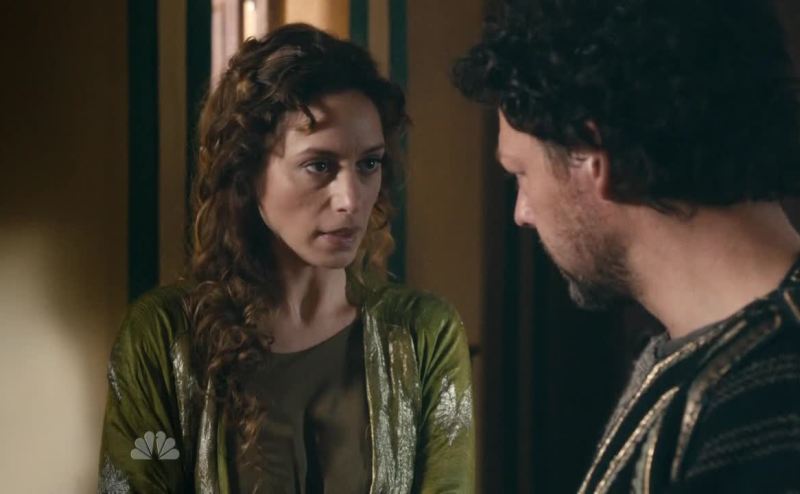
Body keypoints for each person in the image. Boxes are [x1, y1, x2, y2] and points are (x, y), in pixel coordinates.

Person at [99, 24, 474, 493]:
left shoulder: (423, 336)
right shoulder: (161, 338)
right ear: (247, 171)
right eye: (319, 165)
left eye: (369, 164)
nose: (351, 199)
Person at [454, 0, 800, 491]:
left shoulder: (761, 411)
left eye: (521, 174)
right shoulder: (714, 363)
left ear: (594, 160)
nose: (522, 212)